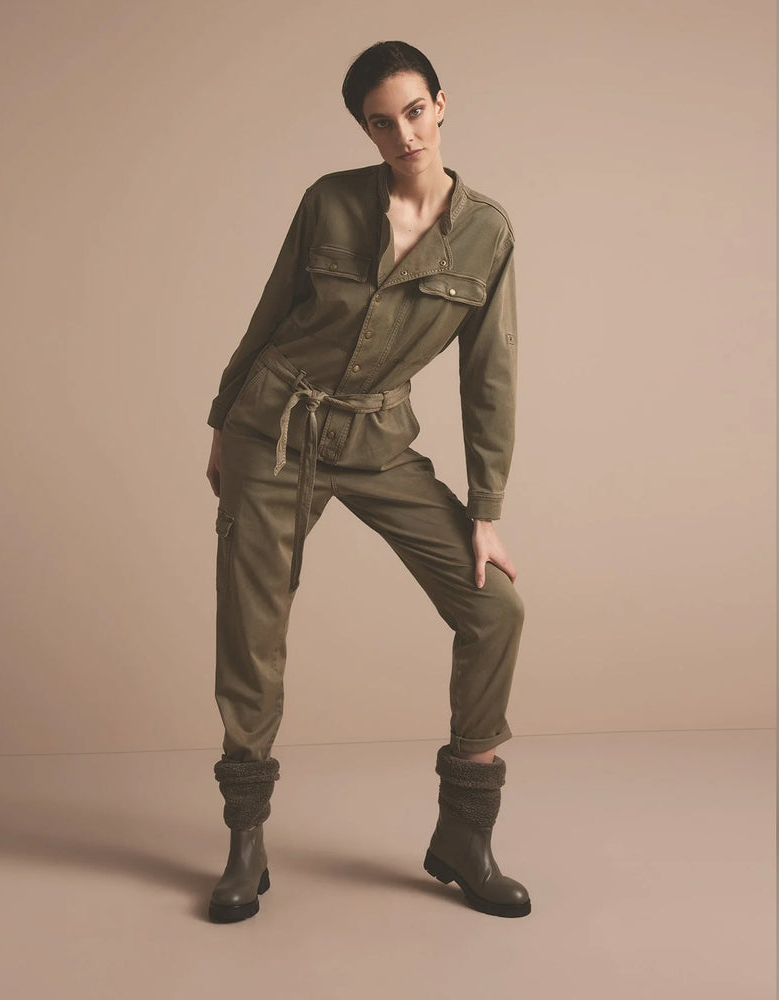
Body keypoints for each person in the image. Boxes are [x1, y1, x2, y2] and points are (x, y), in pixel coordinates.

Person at [204, 40, 531, 923]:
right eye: (382, 123)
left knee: (494, 610)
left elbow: (490, 378)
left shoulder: (488, 233)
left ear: (441, 104)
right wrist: (222, 422)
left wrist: (486, 511)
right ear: (365, 129)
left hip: (379, 442)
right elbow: (272, 311)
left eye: (415, 111)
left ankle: (464, 834)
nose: (405, 134)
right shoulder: (330, 201)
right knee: (253, 632)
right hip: (274, 431)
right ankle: (244, 845)